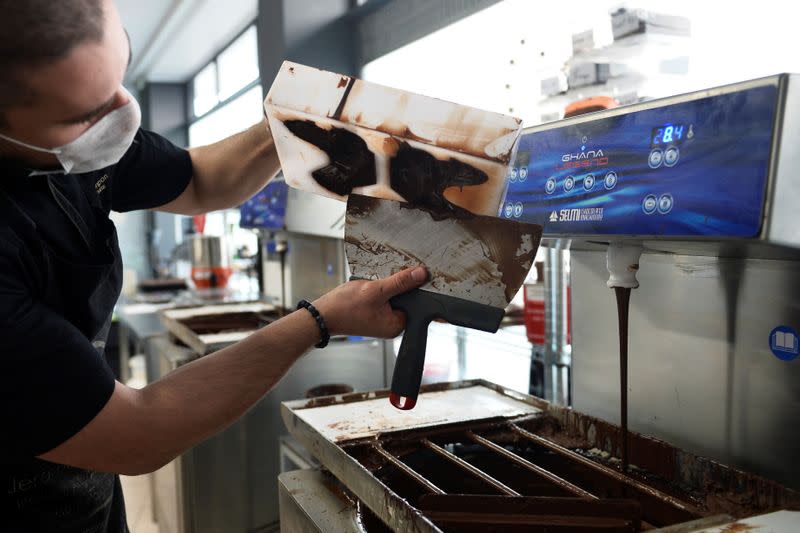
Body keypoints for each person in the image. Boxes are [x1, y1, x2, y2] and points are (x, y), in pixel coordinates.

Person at [0, 1, 426, 530]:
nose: (120, 113)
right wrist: (320, 319)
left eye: (120, 72)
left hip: (91, 496)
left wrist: (293, 125)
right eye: (85, 115)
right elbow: (136, 432)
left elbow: (200, 179)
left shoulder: (84, 140)